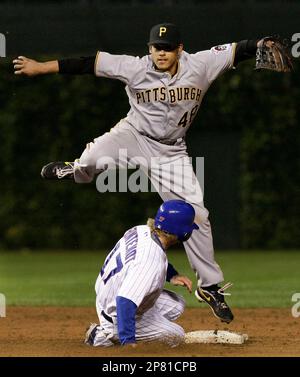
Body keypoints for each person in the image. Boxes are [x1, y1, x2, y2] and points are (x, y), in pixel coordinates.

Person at [13, 22, 262, 323]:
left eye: (168, 48)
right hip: (134, 135)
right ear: (149, 49)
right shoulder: (135, 67)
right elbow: (88, 63)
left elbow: (237, 51)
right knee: (94, 156)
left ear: (180, 49)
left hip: (171, 152)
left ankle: (209, 287)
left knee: (198, 215)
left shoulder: (201, 64)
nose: (161, 52)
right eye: (156, 47)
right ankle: (77, 170)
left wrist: (257, 44)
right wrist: (42, 68)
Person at [84, 199, 197, 347]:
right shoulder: (150, 261)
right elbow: (125, 301)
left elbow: (140, 261)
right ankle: (102, 336)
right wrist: (129, 343)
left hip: (108, 292)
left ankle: (139, 326)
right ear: (182, 231)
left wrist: (172, 275)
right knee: (176, 335)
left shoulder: (141, 230)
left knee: (177, 304)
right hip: (117, 312)